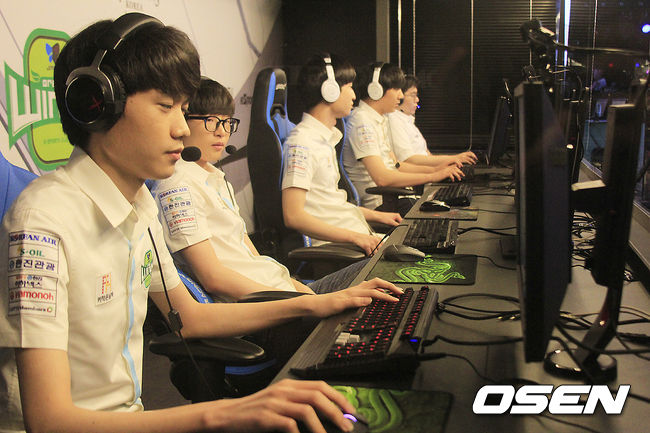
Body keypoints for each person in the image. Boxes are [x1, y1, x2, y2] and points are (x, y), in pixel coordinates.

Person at [0, 13, 400, 433]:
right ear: (96, 103)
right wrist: (226, 412)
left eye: (183, 109)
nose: (180, 128)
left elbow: (190, 317)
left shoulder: (139, 205)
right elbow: (49, 420)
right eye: (165, 106)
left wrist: (312, 303)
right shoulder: (43, 219)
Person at [151, 77, 373, 299]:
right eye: (211, 121)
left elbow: (252, 257)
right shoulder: (178, 187)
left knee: (378, 273)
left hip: (279, 289)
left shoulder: (215, 177)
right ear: (183, 120)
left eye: (227, 122)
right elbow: (213, 278)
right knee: (377, 277)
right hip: (267, 303)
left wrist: (297, 288)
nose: (222, 132)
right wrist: (302, 301)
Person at [281, 54, 402, 256]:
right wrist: (355, 237)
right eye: (349, 88)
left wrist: (379, 216)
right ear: (330, 90)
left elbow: (330, 205)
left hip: (356, 238)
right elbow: (293, 216)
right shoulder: (302, 143)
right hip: (340, 248)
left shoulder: (324, 140)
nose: (354, 96)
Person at [342, 62, 464, 212]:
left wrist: (436, 170)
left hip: (396, 197)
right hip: (381, 203)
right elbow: (382, 178)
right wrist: (433, 176)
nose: (400, 96)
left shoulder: (377, 119)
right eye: (396, 89)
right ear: (376, 90)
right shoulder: (362, 123)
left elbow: (397, 165)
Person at [387, 74, 477, 168]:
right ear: (400, 97)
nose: (417, 99)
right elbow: (408, 159)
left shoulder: (408, 121)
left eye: (417, 95)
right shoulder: (394, 120)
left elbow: (427, 155)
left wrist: (449, 165)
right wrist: (453, 158)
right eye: (413, 95)